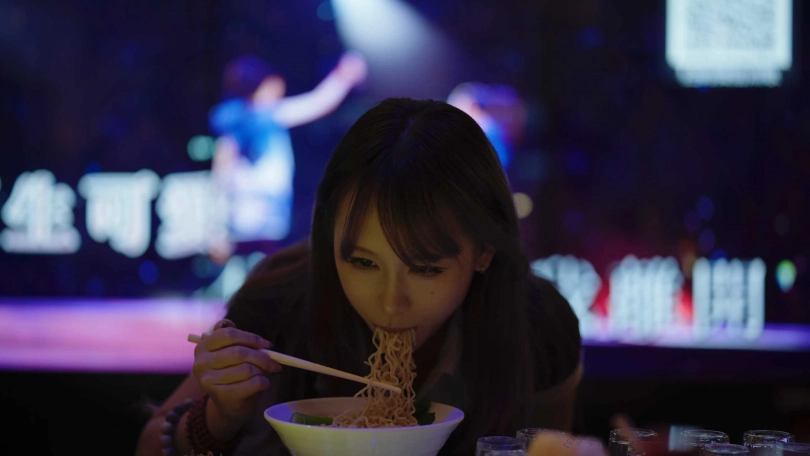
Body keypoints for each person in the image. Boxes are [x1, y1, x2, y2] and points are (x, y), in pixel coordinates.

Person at [135, 98, 582, 456]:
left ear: (483, 250)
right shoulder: (281, 296)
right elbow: (149, 445)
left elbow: (551, 447)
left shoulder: (538, 323)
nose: (390, 302)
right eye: (363, 263)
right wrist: (220, 418)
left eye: (426, 268)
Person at [207, 51, 368, 264]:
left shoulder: (239, 119)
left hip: (254, 214)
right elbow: (317, 104)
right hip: (253, 214)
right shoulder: (262, 116)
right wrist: (343, 77)